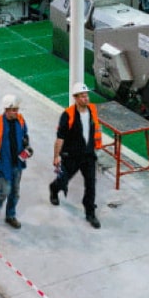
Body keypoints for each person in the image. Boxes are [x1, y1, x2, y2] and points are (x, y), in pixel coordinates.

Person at [49, 82, 102, 229]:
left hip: (88, 156)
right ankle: (54, 188)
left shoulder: (92, 110)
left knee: (91, 184)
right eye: (83, 96)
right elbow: (60, 138)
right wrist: (56, 156)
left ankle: (90, 212)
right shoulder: (68, 115)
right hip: (71, 156)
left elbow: (95, 129)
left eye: (87, 95)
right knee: (64, 179)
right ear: (75, 98)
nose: (86, 98)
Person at [0, 94, 31, 229]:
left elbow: (25, 134)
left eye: (17, 109)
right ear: (7, 110)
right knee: (5, 190)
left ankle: (10, 215)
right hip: (4, 165)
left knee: (15, 192)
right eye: (14, 110)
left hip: (18, 163)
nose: (17, 112)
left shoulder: (20, 120)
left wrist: (26, 146)